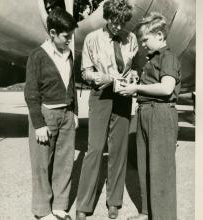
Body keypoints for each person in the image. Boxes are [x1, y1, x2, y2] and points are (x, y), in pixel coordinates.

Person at [75, 1, 138, 220]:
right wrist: (98, 77)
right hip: (100, 96)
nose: (118, 27)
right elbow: (85, 71)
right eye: (114, 21)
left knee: (119, 150)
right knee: (94, 149)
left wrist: (132, 77)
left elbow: (134, 68)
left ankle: (114, 201)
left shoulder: (131, 39)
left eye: (122, 23)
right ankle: (84, 204)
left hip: (122, 97)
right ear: (107, 17)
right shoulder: (92, 39)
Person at [117, 12, 181, 220]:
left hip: (160, 114)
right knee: (144, 165)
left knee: (161, 170)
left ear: (160, 35)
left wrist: (136, 88)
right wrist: (137, 81)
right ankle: (147, 212)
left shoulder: (168, 57)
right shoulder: (151, 60)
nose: (143, 44)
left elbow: (166, 88)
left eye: (145, 39)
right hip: (146, 111)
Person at [24, 7, 78, 220]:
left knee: (64, 163)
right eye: (67, 36)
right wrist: (38, 124)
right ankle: (42, 210)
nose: (70, 40)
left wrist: (73, 112)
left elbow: (71, 85)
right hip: (46, 116)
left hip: (66, 115)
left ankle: (59, 206)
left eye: (71, 35)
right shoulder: (37, 56)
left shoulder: (69, 53)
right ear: (53, 33)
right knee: (41, 165)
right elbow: (31, 93)